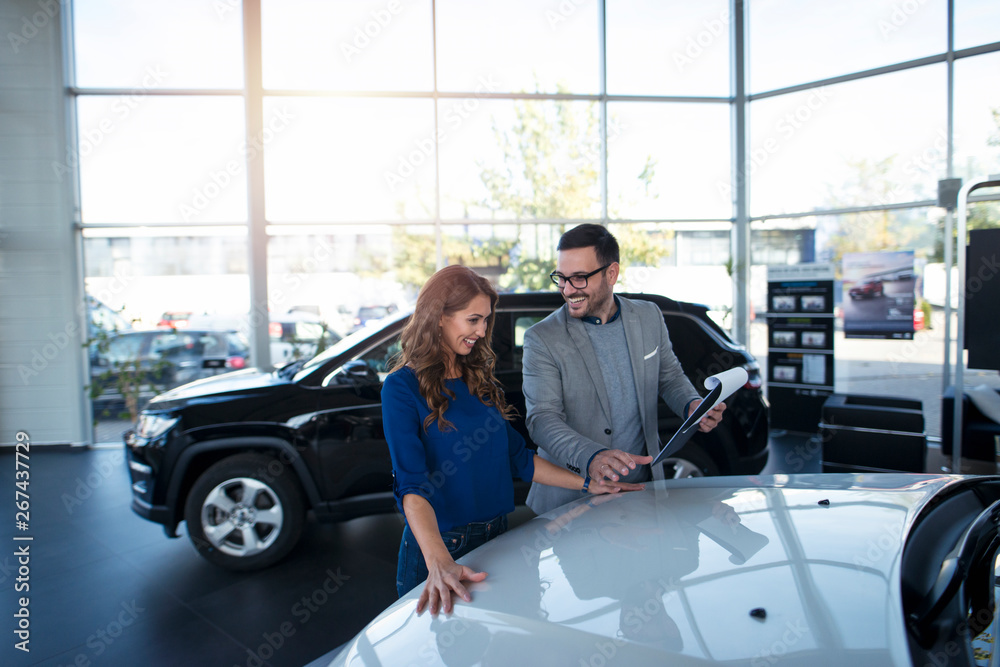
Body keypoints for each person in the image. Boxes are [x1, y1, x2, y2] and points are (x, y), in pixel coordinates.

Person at [382, 264, 642, 616]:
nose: (482, 331)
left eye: (486, 320)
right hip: (441, 548)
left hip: (499, 536)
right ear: (439, 316)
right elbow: (411, 486)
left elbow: (519, 458)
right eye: (473, 320)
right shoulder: (402, 387)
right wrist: (439, 562)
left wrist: (587, 484)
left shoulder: (478, 380)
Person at [523, 223, 726, 515]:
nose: (567, 290)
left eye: (579, 278)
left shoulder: (648, 316)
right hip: (570, 499)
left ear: (611, 273)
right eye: (561, 278)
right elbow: (542, 420)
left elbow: (668, 377)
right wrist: (591, 456)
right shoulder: (542, 338)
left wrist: (692, 405)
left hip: (639, 493)